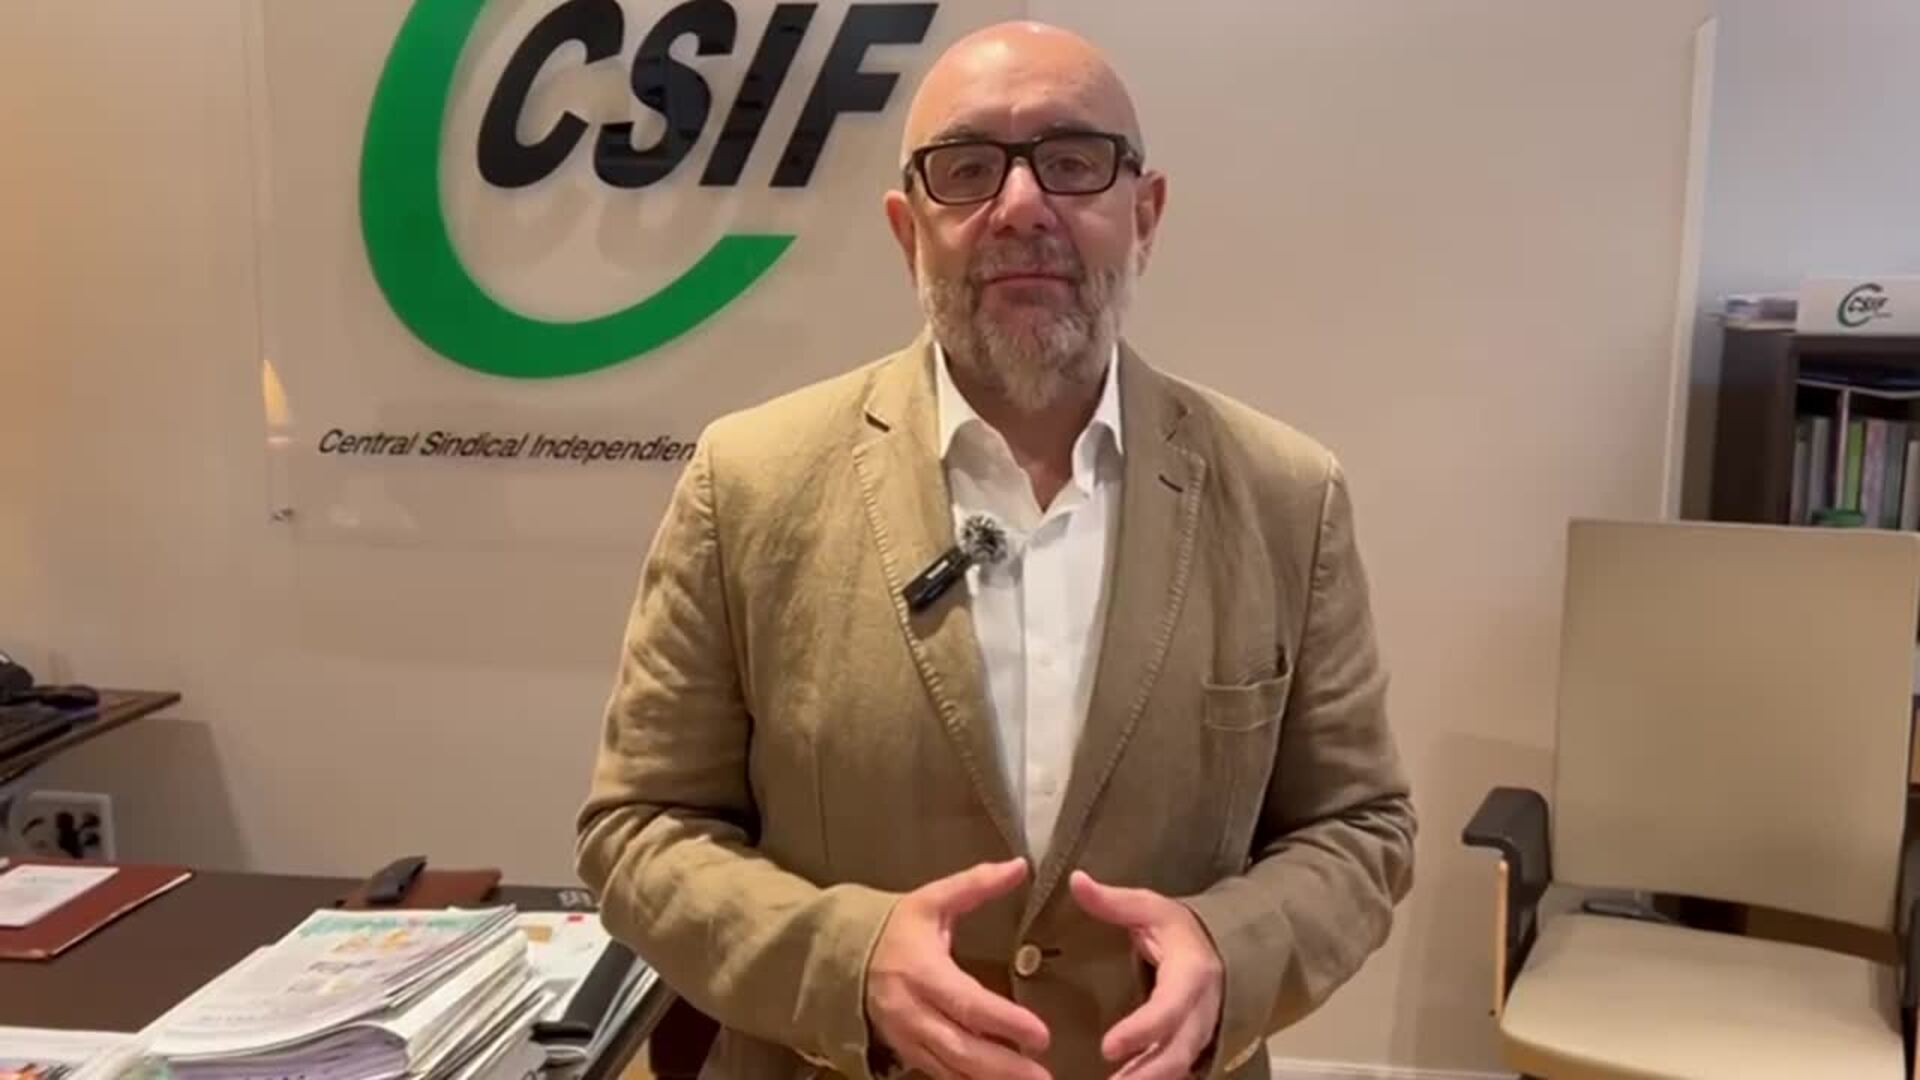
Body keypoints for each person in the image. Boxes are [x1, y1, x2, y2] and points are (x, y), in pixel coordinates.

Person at [576, 20, 1415, 1080]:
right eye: (968, 169)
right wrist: (847, 963)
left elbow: (1360, 828)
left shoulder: (1287, 497)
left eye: (1073, 161)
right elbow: (641, 829)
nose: (1021, 206)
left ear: (1144, 214)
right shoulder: (747, 482)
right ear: (907, 231)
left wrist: (1231, 949)